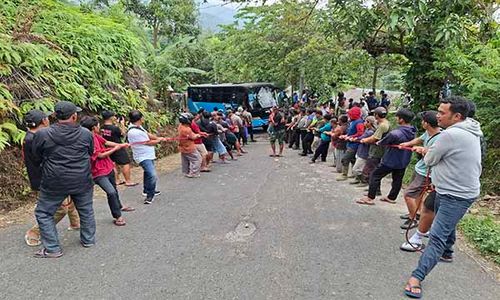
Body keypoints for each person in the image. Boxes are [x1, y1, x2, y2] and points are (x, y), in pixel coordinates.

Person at [404, 97, 483, 299]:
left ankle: (416, 277)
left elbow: (430, 159)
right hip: (448, 188)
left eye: (442, 112)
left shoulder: (450, 134)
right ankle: (447, 252)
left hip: (455, 194)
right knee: (434, 210)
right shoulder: (471, 129)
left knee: (437, 236)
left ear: (457, 116)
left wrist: (424, 151)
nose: (437, 115)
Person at [31, 101, 95, 258]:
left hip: (54, 181)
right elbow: (90, 152)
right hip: (82, 179)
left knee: (44, 212)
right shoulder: (86, 134)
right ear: (74, 116)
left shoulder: (43, 134)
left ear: (54, 116)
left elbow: (36, 156)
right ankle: (88, 240)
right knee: (85, 210)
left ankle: (52, 249)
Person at [23, 109, 81, 247]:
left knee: (70, 198)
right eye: (47, 118)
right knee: (60, 209)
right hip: (46, 180)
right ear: (44, 121)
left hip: (46, 177)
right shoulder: (36, 139)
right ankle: (35, 232)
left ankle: (75, 223)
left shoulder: (30, 136)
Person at [80, 116, 134, 226]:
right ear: (94, 127)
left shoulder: (95, 136)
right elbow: (99, 155)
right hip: (98, 172)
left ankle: (119, 206)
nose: (100, 127)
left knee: (114, 189)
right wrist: (116, 148)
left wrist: (121, 145)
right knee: (111, 192)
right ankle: (117, 216)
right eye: (98, 125)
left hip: (108, 168)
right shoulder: (87, 139)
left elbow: (106, 142)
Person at [356, 108, 416, 205]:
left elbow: (383, 142)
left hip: (391, 160)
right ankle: (391, 197)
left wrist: (379, 142)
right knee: (397, 179)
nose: (396, 119)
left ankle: (370, 198)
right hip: (404, 160)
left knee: (374, 175)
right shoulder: (412, 131)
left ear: (401, 119)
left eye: (397, 117)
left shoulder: (395, 133)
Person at [398, 111, 441, 230]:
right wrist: (407, 144)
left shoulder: (440, 138)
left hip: (426, 173)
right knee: (417, 194)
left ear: (426, 123)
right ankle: (416, 213)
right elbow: (419, 140)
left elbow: (435, 155)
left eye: (423, 121)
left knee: (408, 194)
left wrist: (423, 150)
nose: (421, 122)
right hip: (419, 168)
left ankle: (413, 220)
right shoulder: (428, 133)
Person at [127, 110, 165, 205]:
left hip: (148, 154)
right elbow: (148, 142)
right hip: (143, 156)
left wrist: (157, 138)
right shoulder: (134, 132)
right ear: (140, 119)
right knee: (152, 175)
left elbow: (147, 134)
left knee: (147, 173)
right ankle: (149, 195)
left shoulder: (137, 127)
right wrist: (159, 140)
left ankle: (146, 189)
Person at [100, 110, 137, 187]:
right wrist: (122, 124)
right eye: (113, 116)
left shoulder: (102, 128)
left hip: (108, 148)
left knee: (113, 164)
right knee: (125, 163)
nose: (114, 117)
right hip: (118, 146)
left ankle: (117, 180)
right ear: (110, 117)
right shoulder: (114, 128)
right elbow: (123, 134)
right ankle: (128, 181)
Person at [358, 107, 391, 187]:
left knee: (371, 170)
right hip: (380, 150)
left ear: (376, 115)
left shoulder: (383, 125)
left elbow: (375, 138)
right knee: (374, 170)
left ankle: (373, 188)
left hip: (377, 151)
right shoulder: (386, 123)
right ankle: (374, 188)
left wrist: (365, 140)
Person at [337, 107, 364, 181]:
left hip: (354, 144)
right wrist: (347, 136)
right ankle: (353, 174)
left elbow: (360, 133)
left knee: (345, 159)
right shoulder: (353, 121)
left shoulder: (359, 122)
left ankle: (344, 174)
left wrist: (351, 137)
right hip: (350, 143)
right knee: (352, 159)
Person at [349, 116, 376, 185]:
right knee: (358, 167)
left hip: (365, 153)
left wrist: (354, 139)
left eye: (365, 121)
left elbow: (362, 138)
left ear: (369, 122)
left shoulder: (370, 132)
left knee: (357, 169)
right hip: (361, 151)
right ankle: (358, 179)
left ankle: (364, 181)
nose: (364, 123)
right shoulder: (367, 130)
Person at [178, 113, 204, 178]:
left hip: (182, 146)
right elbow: (193, 137)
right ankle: (193, 173)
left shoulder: (180, 126)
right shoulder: (187, 129)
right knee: (197, 159)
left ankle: (186, 172)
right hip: (189, 147)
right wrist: (198, 135)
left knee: (185, 160)